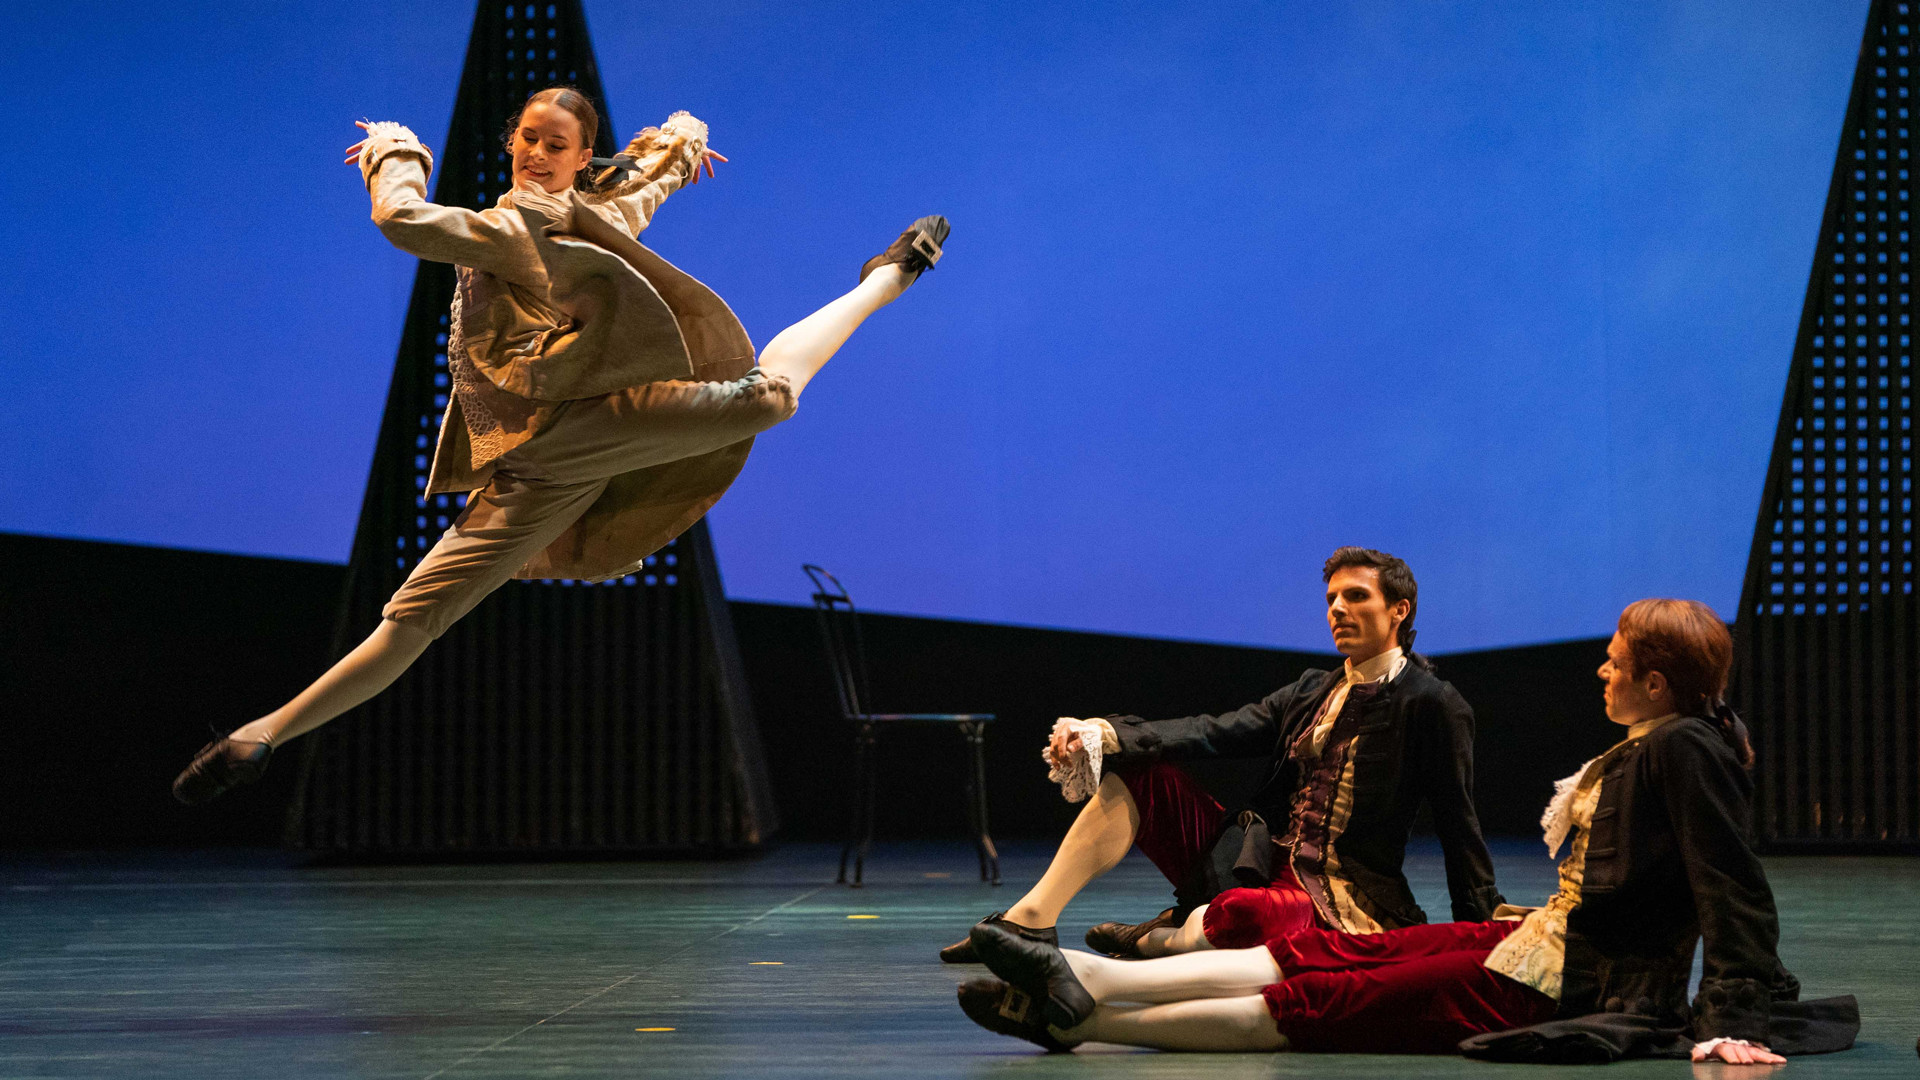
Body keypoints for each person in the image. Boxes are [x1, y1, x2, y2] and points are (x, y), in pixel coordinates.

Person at [172, 86, 949, 803]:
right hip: (536, 464)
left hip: (600, 416)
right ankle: (257, 737)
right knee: (414, 616)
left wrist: (396, 149)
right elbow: (421, 218)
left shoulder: (571, 219)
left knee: (770, 398)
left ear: (582, 158)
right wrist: (677, 147)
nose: (536, 154)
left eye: (556, 145)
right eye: (527, 139)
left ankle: (884, 279)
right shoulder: (514, 226)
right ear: (511, 143)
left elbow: (423, 213)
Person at [956, 599, 1858, 1064]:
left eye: (1615, 663)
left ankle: (1086, 1013)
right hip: (1542, 945)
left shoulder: (1683, 749)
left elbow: (1731, 886)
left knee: (1334, 1000)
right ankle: (1083, 978)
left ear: (1657, 683)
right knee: (1330, 962)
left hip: (1570, 982)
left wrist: (1736, 1016)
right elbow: (1219, 731)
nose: (1600, 671)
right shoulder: (1654, 744)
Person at [941, 547, 1504, 964]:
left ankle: (1157, 940)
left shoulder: (1432, 703)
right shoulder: (1312, 689)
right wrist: (1107, 734)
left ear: (1399, 610)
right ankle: (1031, 920)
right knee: (1140, 771)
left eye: (1356, 596)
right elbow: (1213, 731)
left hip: (1336, 892)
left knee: (1246, 916)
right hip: (1255, 861)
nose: (1338, 609)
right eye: (1332, 599)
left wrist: (1479, 935)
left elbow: (1459, 824)